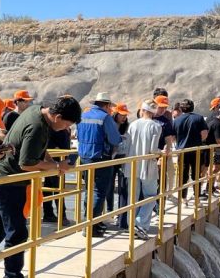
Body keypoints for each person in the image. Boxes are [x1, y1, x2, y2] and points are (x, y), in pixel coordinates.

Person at [0, 96, 81, 278]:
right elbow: (26, 163)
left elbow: (36, 149)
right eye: (66, 124)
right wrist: (58, 167)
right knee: (17, 234)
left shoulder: (36, 111)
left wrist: (50, 161)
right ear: (56, 116)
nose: (67, 128)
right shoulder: (37, 126)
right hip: (10, 183)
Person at [76, 92, 123, 237]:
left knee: (89, 189)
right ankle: (91, 226)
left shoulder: (83, 116)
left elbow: (77, 135)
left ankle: (89, 222)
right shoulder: (105, 118)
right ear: (107, 105)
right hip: (101, 157)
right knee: (99, 191)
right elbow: (115, 139)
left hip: (84, 157)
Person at [124, 100, 165, 235]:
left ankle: (131, 225)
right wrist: (161, 152)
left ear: (142, 110)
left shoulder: (132, 125)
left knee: (133, 197)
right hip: (148, 165)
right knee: (151, 196)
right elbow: (153, 149)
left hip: (132, 164)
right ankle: (141, 223)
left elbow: (126, 145)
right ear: (154, 112)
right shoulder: (155, 126)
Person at [171, 99, 208, 202]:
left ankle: (183, 198)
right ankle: (197, 197)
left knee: (183, 175)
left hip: (182, 152)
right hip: (196, 150)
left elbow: (173, 138)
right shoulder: (199, 118)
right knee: (196, 175)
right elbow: (204, 134)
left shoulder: (177, 120)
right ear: (193, 107)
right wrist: (197, 140)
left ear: (181, 108)